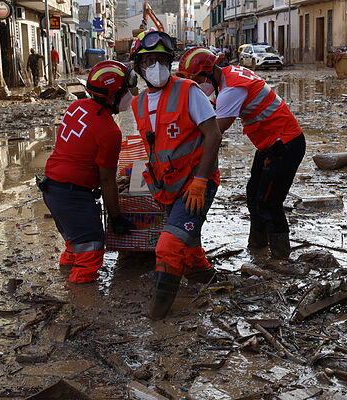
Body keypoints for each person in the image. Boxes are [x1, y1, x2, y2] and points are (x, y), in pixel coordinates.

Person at [177, 47, 305, 260]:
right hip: (271, 144)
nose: (195, 86)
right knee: (254, 194)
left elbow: (215, 132)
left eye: (195, 80)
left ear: (207, 72)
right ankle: (257, 248)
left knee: (269, 202)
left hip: (285, 145)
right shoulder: (230, 74)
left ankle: (281, 258)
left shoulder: (232, 90)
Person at [129, 30, 222, 320]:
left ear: (170, 62)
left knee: (168, 244)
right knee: (187, 238)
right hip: (167, 186)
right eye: (148, 61)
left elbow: (214, 135)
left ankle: (157, 319)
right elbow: (152, 148)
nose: (155, 67)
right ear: (139, 68)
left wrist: (200, 180)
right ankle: (203, 277)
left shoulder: (188, 91)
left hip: (196, 183)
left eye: (160, 59)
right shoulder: (139, 103)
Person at [40, 60, 137, 284]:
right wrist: (116, 218)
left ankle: (65, 276)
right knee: (91, 249)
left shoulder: (77, 106)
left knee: (75, 243)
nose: (131, 95)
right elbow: (107, 180)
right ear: (113, 95)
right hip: (73, 195)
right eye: (126, 91)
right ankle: (80, 301)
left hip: (52, 189)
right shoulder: (110, 131)